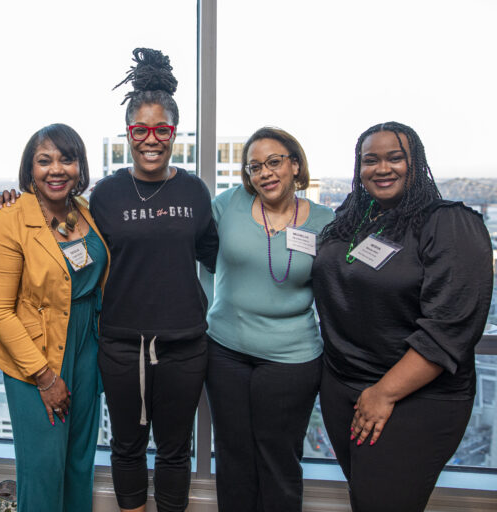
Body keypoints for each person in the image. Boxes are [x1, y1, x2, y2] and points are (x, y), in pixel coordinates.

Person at [312, 121, 493, 512]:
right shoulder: (354, 217)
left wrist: (384, 392)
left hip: (413, 396)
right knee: (365, 497)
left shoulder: (448, 224)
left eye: (395, 158)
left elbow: (448, 328)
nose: (382, 168)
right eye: (370, 160)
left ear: (417, 163)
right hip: (344, 386)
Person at [90, 48, 218, 512]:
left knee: (174, 450)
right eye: (139, 130)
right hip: (122, 345)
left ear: (173, 133)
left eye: (161, 129)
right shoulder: (105, 194)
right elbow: (71, 252)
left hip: (185, 345)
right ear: (128, 134)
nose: (150, 139)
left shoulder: (194, 191)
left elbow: (218, 255)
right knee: (126, 446)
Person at [0, 123, 109, 512]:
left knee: (79, 463)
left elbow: (82, 269)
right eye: (44, 160)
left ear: (79, 166)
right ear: (29, 169)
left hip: (88, 348)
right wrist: (44, 375)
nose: (56, 169)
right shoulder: (9, 220)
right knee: (42, 468)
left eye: (66, 159)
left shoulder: (84, 212)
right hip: (37, 356)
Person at [205, 127, 334, 511]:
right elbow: (184, 246)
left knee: (278, 459)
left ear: (295, 164)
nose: (265, 173)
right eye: (255, 166)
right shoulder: (227, 205)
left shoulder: (326, 222)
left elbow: (342, 289)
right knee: (232, 456)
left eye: (274, 161)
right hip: (225, 352)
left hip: (291, 358)